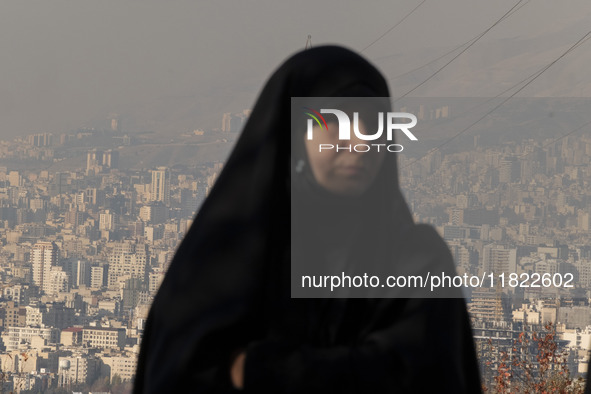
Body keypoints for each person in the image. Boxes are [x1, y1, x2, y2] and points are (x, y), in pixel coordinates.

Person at [133, 45, 482, 393]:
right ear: (293, 135)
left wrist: (260, 370)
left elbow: (424, 374)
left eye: (374, 123)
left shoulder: (416, 260)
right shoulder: (223, 264)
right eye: (334, 120)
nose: (360, 141)